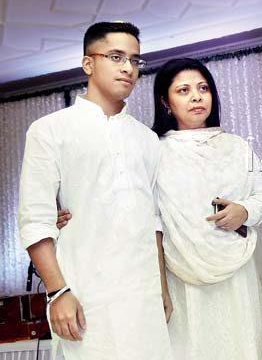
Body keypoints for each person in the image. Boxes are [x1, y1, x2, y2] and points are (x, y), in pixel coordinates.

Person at [18, 22, 172, 359]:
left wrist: (162, 289)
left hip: (143, 299)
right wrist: (57, 292)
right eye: (116, 56)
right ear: (89, 64)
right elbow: (35, 219)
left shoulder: (146, 139)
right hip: (85, 296)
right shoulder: (50, 130)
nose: (128, 68)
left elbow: (154, 221)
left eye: (135, 60)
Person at [151, 58, 262, 359]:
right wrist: (160, 289)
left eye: (203, 88)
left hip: (238, 277)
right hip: (181, 279)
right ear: (165, 102)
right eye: (183, 90)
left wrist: (244, 211)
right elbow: (151, 225)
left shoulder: (236, 147)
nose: (196, 96)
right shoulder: (155, 152)